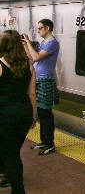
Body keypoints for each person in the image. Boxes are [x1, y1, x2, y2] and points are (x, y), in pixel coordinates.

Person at [0, 30, 37, 194]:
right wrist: (33, 117)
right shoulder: (28, 64)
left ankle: (18, 191)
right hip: (24, 112)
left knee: (11, 155)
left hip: (5, 114)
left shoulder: (0, 64)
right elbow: (32, 93)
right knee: (12, 152)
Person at [22, 19, 60, 156]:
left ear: (47, 28)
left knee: (45, 112)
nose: (38, 31)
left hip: (45, 80)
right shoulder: (44, 43)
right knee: (41, 112)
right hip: (39, 79)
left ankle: (50, 143)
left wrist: (27, 40)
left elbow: (37, 57)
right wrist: (26, 45)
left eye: (40, 28)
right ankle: (44, 140)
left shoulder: (52, 43)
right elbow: (31, 58)